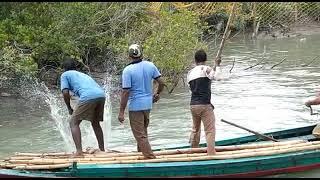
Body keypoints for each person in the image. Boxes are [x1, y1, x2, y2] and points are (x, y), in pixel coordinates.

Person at [118, 44, 165, 159]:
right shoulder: (150, 65)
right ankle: (141, 154)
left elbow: (125, 92)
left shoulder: (127, 70)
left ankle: (150, 158)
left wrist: (121, 111)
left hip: (135, 106)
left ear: (129, 56)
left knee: (140, 135)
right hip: (148, 105)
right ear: (141, 54)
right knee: (143, 132)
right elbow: (161, 82)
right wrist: (157, 93)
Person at [60, 58, 106, 156]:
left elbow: (65, 92)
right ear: (75, 67)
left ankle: (79, 151)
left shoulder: (65, 75)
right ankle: (102, 149)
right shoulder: (82, 75)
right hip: (101, 95)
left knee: (73, 122)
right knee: (95, 122)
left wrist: (69, 108)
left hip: (88, 96)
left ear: (64, 69)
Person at [186, 49, 221, 155]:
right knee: (210, 130)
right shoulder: (206, 69)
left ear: (195, 60)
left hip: (193, 105)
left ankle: (193, 151)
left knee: (195, 129)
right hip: (204, 105)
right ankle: (211, 154)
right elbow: (217, 77)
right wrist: (217, 65)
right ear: (205, 60)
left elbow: (191, 89)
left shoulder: (190, 73)